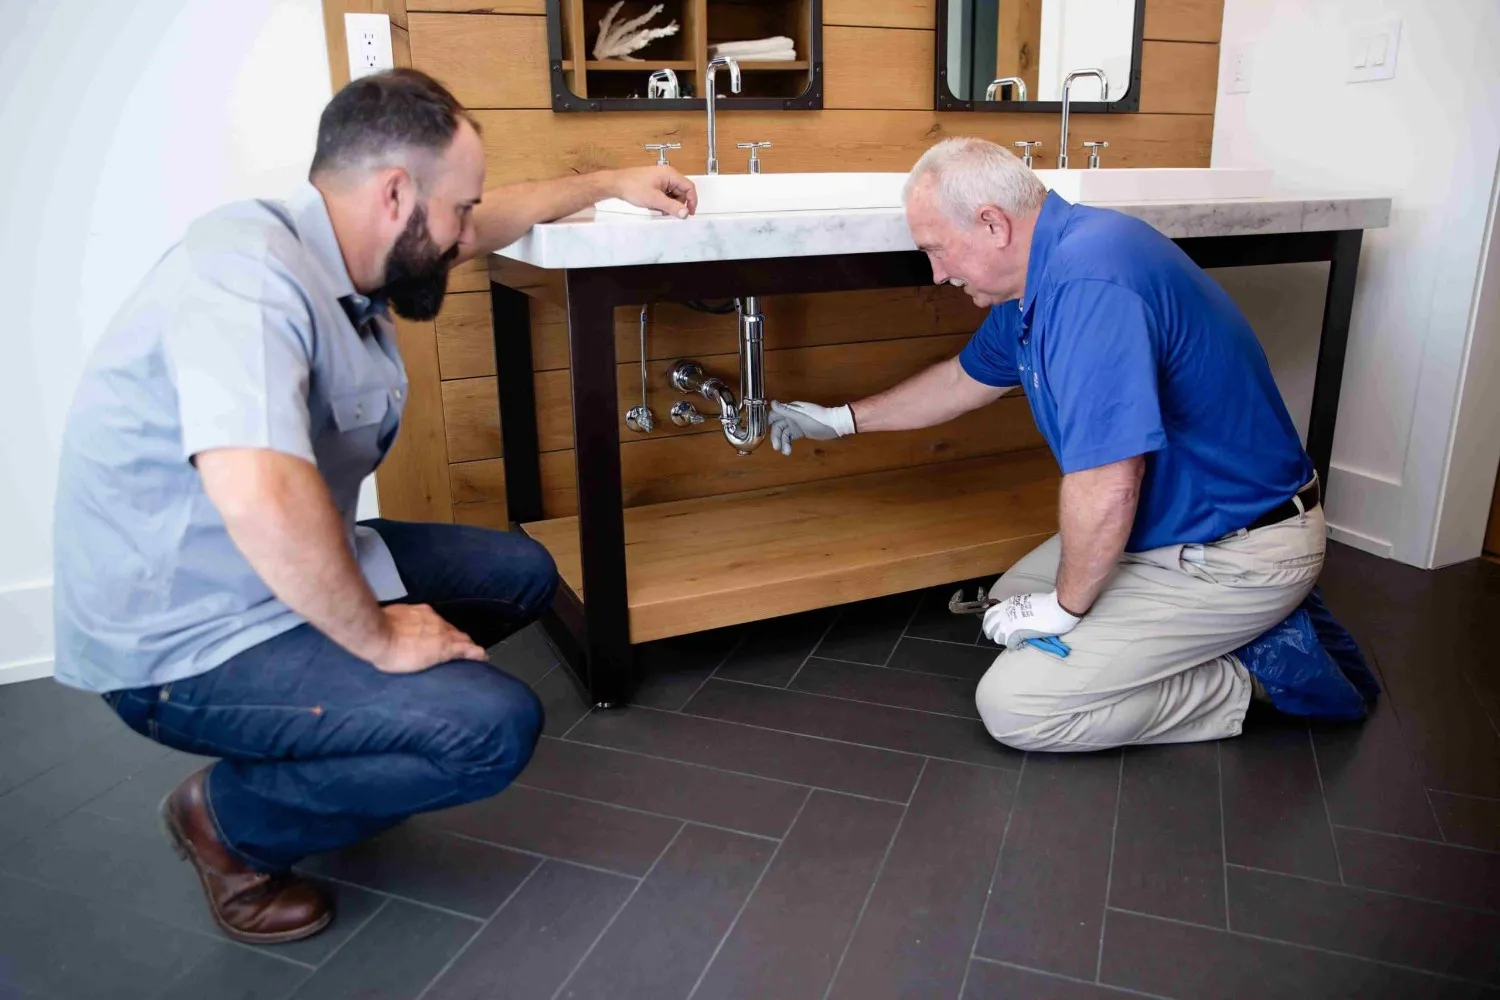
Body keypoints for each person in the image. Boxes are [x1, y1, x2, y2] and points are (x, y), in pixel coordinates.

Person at [51, 68, 697, 944]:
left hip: (276, 578)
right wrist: (380, 637)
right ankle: (230, 823)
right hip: (186, 635)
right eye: (459, 210)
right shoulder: (242, 276)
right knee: (490, 730)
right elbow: (258, 489)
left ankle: (331, 743)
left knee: (521, 574)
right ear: (398, 194)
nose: (471, 232)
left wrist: (610, 182)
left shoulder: (359, 251)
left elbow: (496, 215)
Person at [768, 136, 1336, 753]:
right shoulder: (1043, 272)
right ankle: (1190, 633)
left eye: (936, 249)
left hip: (1237, 553)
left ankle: (1254, 677)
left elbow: (1109, 482)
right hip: (1169, 528)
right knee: (1012, 604)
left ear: (992, 224)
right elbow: (963, 380)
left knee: (1018, 708)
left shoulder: (1091, 283)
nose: (937, 273)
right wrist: (843, 419)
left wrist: (1067, 609)